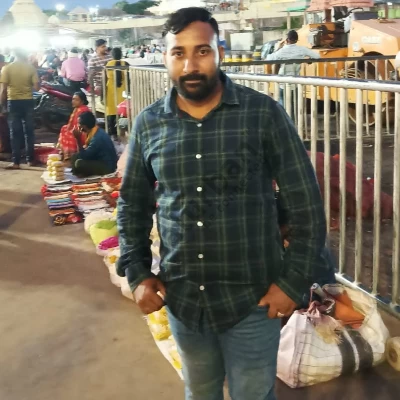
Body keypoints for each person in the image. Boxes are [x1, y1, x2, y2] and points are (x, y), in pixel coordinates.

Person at [117, 7, 330, 400]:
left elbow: (307, 206)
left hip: (253, 298)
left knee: (253, 393)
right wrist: (137, 272)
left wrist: (292, 283)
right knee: (199, 391)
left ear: (221, 53)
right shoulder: (149, 123)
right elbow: (132, 205)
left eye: (202, 51)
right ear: (165, 58)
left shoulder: (262, 114)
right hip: (183, 298)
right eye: (178, 53)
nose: (190, 65)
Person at [0, 48, 39, 169]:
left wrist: (2, 106)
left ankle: (16, 162)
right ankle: (30, 160)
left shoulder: (7, 68)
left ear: (14, 54)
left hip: (13, 102)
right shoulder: (31, 68)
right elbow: (37, 87)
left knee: (15, 133)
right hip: (28, 101)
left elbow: (3, 90)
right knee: (29, 132)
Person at [267, 30, 320, 118]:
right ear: (296, 40)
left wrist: (278, 48)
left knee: (283, 106)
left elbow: (269, 58)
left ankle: (284, 121)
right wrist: (308, 60)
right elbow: (317, 56)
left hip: (283, 83)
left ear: (287, 40)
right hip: (295, 82)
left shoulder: (282, 51)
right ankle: (293, 122)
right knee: (294, 106)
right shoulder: (301, 49)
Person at [70, 111, 118, 177]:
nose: (77, 125)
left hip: (107, 167)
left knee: (79, 163)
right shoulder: (94, 131)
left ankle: (81, 174)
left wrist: (78, 139)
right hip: (98, 159)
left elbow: (84, 156)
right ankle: (78, 173)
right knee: (74, 156)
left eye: (78, 124)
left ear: (84, 126)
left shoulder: (97, 137)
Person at [57, 91, 90, 160]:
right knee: (64, 128)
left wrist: (72, 130)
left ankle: (69, 154)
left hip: (84, 133)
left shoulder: (82, 110)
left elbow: (80, 127)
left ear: (82, 101)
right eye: (73, 99)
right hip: (79, 130)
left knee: (67, 133)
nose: (73, 101)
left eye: (76, 100)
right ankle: (65, 153)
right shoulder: (77, 109)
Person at [105, 47, 129, 138]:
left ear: (112, 55)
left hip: (111, 89)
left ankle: (112, 133)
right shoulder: (125, 64)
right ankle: (122, 132)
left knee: (111, 110)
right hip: (122, 89)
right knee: (122, 110)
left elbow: (104, 78)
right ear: (121, 54)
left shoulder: (108, 64)